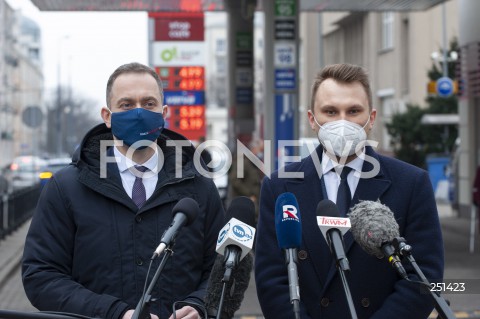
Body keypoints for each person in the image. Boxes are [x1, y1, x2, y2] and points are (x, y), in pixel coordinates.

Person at [22, 62, 225, 319]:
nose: (139, 113)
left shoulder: (198, 186)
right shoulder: (66, 188)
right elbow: (41, 276)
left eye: (149, 103)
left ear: (163, 112)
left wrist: (199, 305)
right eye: (127, 105)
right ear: (107, 116)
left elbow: (223, 268)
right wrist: (114, 313)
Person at [255, 63, 444, 318]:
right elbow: (271, 280)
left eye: (353, 111)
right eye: (330, 111)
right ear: (312, 119)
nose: (342, 122)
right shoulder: (279, 187)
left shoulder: (411, 183)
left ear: (371, 118)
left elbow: (425, 277)